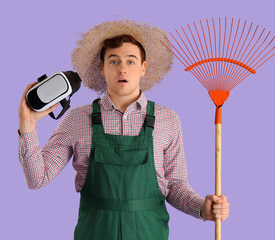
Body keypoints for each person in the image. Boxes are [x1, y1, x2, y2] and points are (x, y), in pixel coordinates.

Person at [18, 19, 230, 240]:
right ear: (102, 67)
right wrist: (28, 125)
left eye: (131, 61)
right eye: (113, 61)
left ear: (143, 68)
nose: (122, 68)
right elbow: (37, 179)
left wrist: (203, 209)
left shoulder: (168, 120)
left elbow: (175, 187)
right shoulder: (77, 119)